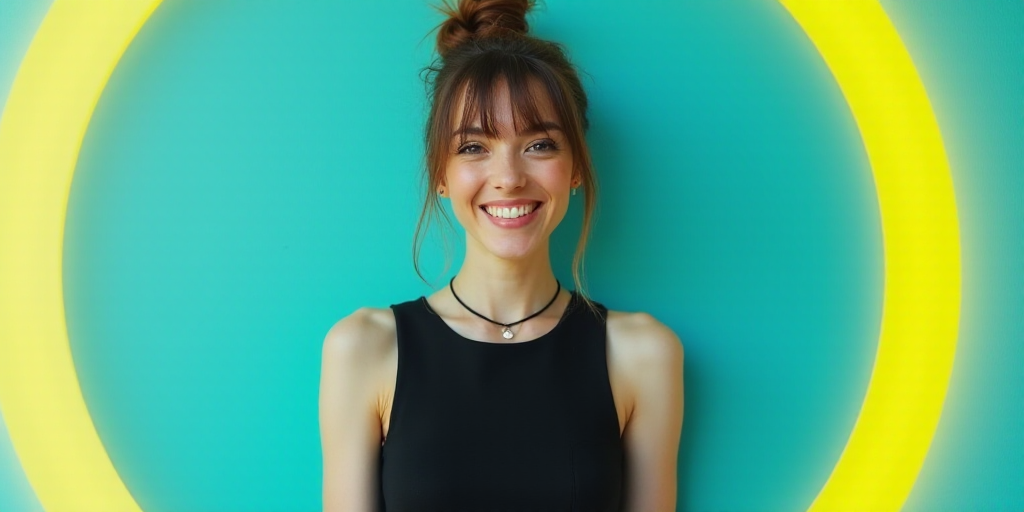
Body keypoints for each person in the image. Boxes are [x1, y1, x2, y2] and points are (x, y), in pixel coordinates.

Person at [319, 0, 684, 510]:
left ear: (575, 168)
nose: (509, 176)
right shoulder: (363, 348)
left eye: (539, 145)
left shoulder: (642, 353)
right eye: (473, 147)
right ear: (440, 175)